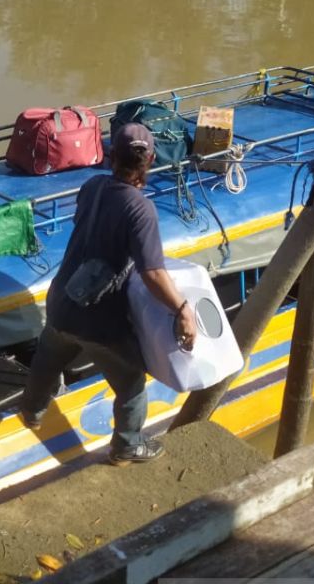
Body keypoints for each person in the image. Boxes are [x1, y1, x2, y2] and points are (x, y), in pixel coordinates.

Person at [19, 122, 198, 465]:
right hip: (98, 320)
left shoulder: (92, 186)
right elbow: (154, 274)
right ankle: (128, 445)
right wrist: (183, 310)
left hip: (62, 300)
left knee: (49, 355)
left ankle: (32, 410)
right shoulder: (141, 210)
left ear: (110, 154)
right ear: (152, 160)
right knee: (131, 383)